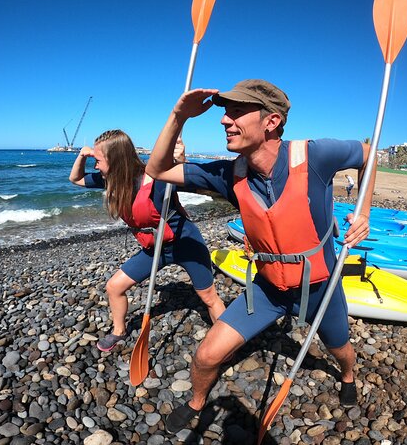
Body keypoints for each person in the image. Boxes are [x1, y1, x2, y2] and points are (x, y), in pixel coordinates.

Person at [145, 79, 374, 433]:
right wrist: (178, 117)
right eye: (225, 112)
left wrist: (365, 212)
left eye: (237, 111)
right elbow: (157, 170)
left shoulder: (315, 155)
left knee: (340, 349)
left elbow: (367, 153)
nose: (224, 120)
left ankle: (347, 376)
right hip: (267, 290)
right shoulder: (228, 174)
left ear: (271, 122)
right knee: (206, 355)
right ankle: (196, 401)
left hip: (319, 289)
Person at [69, 129, 226, 352]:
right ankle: (118, 331)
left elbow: (192, 181)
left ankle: (226, 342)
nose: (95, 165)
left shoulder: (158, 178)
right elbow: (75, 179)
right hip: (155, 247)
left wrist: (181, 162)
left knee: (208, 296)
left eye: (98, 160)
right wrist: (83, 156)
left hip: (186, 243)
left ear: (115, 160)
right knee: (114, 287)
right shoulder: (111, 179)